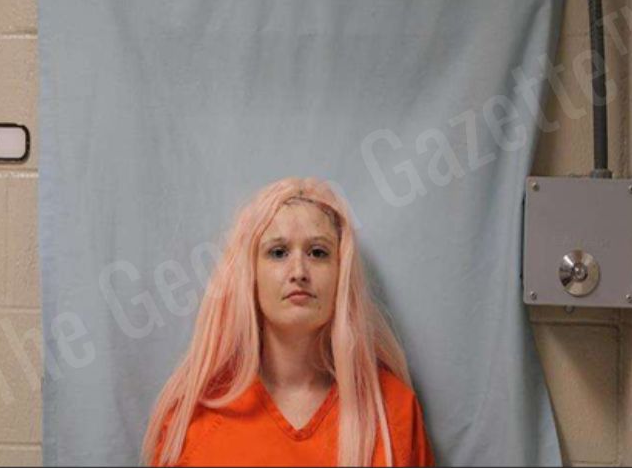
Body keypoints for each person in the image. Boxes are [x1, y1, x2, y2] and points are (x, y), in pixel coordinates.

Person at [142, 177, 435, 466]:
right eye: (278, 252)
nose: (298, 272)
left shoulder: (393, 410)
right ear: (250, 274)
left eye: (318, 253)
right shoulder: (192, 419)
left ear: (341, 273)